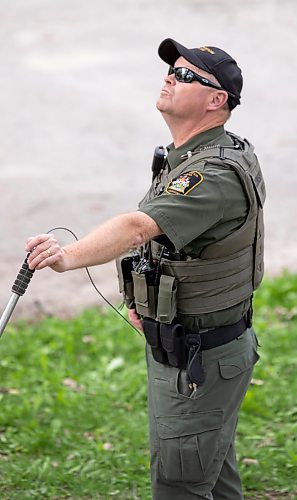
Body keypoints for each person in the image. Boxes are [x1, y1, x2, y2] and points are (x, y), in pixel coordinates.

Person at [26, 38, 265, 500]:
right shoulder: (201, 154)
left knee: (181, 486)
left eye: (186, 75)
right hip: (197, 350)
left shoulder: (210, 176)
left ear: (218, 101)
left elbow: (139, 228)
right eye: (172, 69)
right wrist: (144, 304)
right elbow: (172, 250)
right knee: (212, 478)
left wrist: (68, 256)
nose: (170, 77)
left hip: (198, 359)